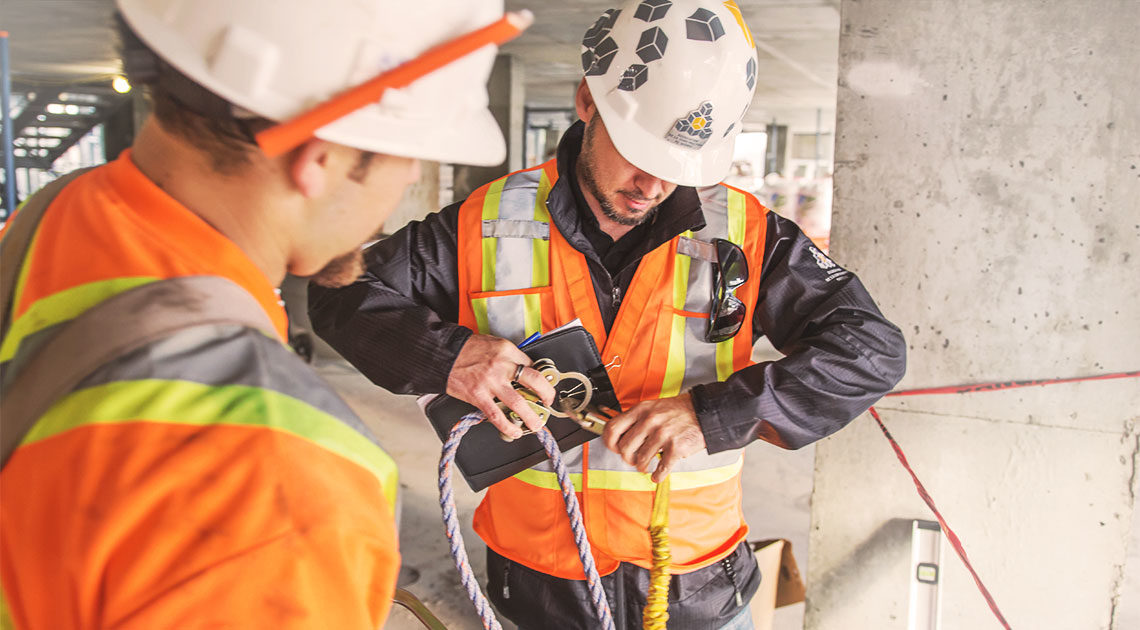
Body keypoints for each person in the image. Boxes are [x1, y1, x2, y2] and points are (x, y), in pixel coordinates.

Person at [309, 1, 906, 628]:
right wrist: (449, 358)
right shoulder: (482, 224)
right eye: (638, 152)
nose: (653, 185)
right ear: (588, 101)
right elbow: (338, 289)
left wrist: (713, 415)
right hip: (539, 585)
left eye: (676, 166)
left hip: (698, 586)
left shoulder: (750, 235)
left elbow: (869, 349)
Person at [0, 0, 525, 627]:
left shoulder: (52, 213)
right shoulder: (283, 488)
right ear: (322, 157)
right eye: (411, 156)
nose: (408, 179)